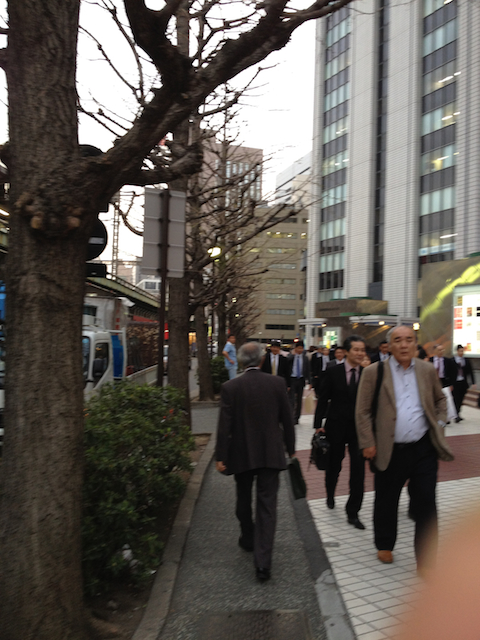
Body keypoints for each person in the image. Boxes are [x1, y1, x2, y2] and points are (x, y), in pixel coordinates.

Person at [355, 325, 454, 575]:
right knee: (386, 499)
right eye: (398, 340)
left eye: (409, 340)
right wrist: (368, 442)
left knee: (426, 503)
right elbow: (362, 411)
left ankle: (427, 560)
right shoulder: (374, 372)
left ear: (415, 344)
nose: (404, 345)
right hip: (389, 448)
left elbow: (440, 399)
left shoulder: (426, 369)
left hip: (423, 448)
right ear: (389, 345)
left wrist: (440, 423)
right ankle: (385, 544)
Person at [215, 342, 295, 582]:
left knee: (243, 498)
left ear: (240, 362)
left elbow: (224, 426)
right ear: (262, 360)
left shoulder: (230, 387)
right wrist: (291, 449)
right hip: (271, 452)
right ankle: (263, 564)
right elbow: (287, 419)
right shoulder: (277, 383)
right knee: (267, 506)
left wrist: (221, 456)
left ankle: (248, 536)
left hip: (241, 453)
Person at [314, 335, 367, 529]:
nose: (360, 353)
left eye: (362, 350)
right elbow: (323, 398)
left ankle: (353, 512)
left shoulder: (367, 374)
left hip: (358, 430)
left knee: (358, 471)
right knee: (334, 466)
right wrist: (318, 424)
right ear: (346, 352)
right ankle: (330, 494)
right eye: (356, 350)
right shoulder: (333, 371)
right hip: (335, 426)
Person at [287, 341, 310, 424]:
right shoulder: (291, 356)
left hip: (301, 380)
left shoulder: (305, 358)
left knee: (299, 400)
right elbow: (287, 363)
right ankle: (290, 417)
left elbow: (308, 370)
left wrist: (310, 382)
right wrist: (292, 355)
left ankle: (297, 417)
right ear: (295, 348)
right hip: (292, 379)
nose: (299, 350)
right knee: (292, 399)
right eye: (298, 348)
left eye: (301, 348)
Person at [452, 344, 475, 422]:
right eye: (460, 351)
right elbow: (449, 372)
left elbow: (470, 372)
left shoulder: (466, 360)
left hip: (463, 382)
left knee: (461, 398)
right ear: (457, 351)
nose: (461, 353)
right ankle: (456, 414)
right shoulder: (452, 360)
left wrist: (473, 382)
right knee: (455, 398)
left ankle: (457, 413)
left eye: (462, 351)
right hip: (455, 382)